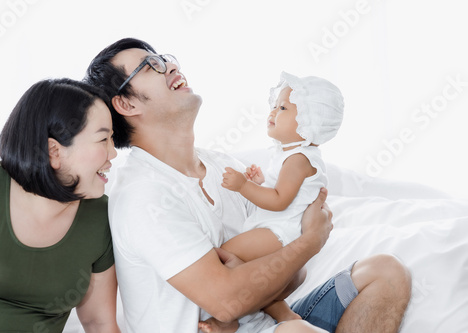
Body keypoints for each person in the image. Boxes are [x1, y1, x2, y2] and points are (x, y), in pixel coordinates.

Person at [84, 37, 412, 333]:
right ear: (126, 105)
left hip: (265, 322)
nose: (169, 65)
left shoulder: (225, 169)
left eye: (164, 57)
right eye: (149, 65)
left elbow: (293, 274)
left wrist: (269, 272)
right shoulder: (144, 195)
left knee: (386, 272)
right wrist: (311, 241)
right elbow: (227, 303)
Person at [0, 78, 120, 332]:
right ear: (54, 151)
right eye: (103, 139)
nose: (113, 153)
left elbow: (99, 323)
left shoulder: (101, 219)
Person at [200, 73, 344, 332]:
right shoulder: (292, 156)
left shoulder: (298, 159)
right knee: (253, 274)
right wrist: (260, 182)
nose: (273, 111)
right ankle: (270, 315)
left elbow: (279, 201)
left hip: (281, 232)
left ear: (309, 123)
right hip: (281, 228)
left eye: (283, 107)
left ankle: (236, 318)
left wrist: (244, 187)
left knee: (224, 257)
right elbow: (285, 192)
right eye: (275, 105)